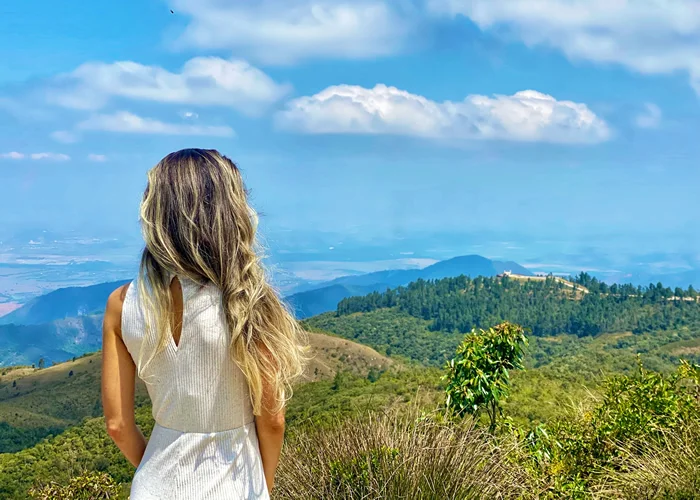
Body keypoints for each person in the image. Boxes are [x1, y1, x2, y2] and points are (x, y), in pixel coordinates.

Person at [101, 148, 307, 499]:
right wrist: (264, 486)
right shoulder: (248, 301)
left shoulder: (121, 304)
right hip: (236, 487)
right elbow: (272, 420)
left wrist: (156, 476)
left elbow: (118, 426)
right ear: (230, 213)